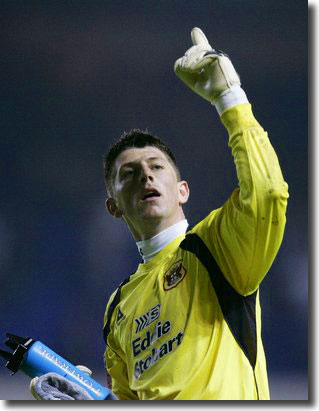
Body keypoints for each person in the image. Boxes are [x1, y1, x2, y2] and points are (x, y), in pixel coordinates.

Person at [30, 27, 288, 400]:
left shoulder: (215, 247)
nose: (146, 175)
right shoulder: (118, 307)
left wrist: (230, 100)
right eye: (129, 174)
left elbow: (267, 193)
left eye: (156, 167)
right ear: (113, 207)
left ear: (183, 190)